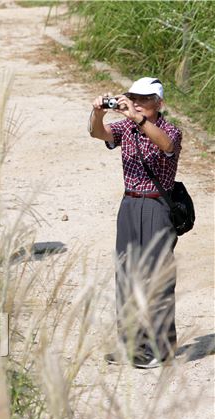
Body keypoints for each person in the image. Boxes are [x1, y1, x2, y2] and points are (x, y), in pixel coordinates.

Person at [89, 77, 182, 369]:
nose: (137, 102)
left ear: (159, 103)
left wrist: (138, 120)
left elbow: (166, 145)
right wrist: (99, 112)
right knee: (127, 275)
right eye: (133, 97)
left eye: (144, 99)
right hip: (130, 203)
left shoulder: (169, 130)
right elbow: (98, 134)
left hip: (156, 205)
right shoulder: (126, 128)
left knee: (157, 278)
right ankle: (132, 343)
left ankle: (161, 348)